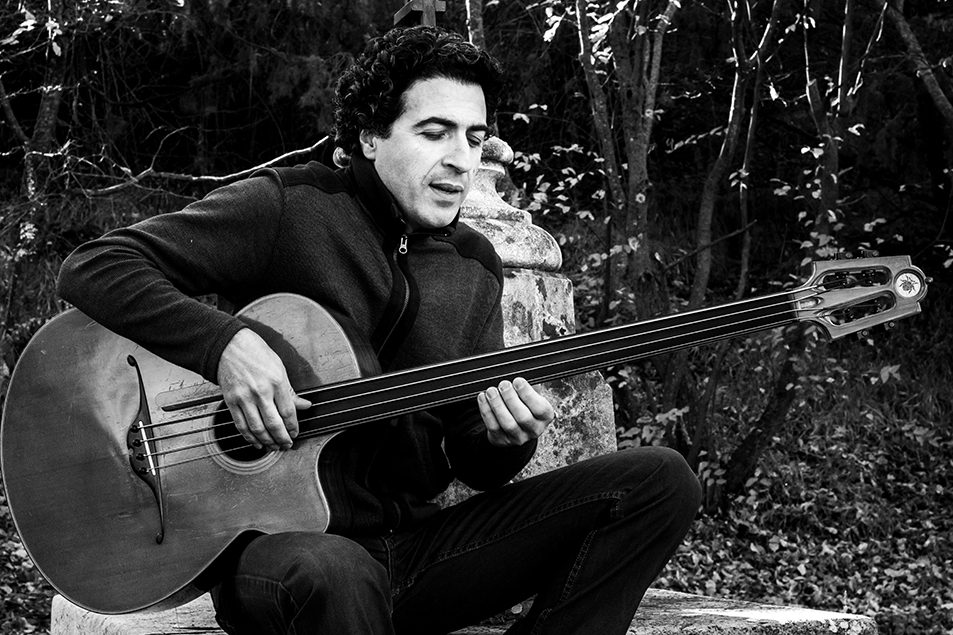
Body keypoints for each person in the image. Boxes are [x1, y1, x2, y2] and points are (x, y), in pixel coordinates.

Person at [57, 25, 702, 635]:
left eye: (474, 138)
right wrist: (225, 346)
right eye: (435, 132)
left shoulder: (474, 263)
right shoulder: (289, 208)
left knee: (658, 482)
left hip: (418, 552)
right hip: (284, 554)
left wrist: (506, 438)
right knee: (335, 572)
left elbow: (471, 457)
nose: (461, 160)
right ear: (371, 135)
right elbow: (96, 266)